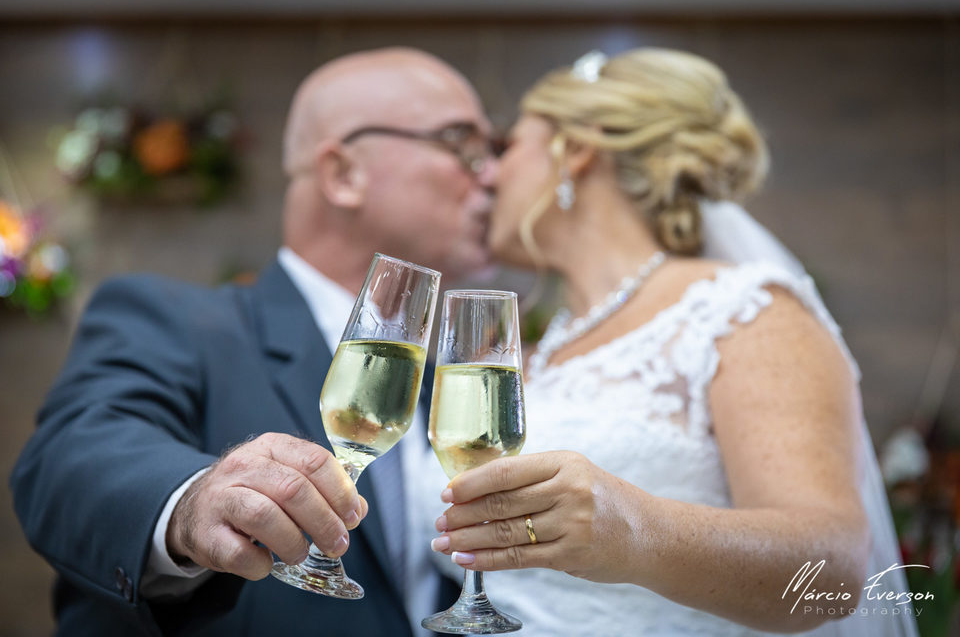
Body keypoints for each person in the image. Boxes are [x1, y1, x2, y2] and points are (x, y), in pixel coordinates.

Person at [417, 49, 918, 636]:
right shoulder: (537, 349)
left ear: (576, 150)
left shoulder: (745, 312)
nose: (487, 175)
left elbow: (832, 574)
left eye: (507, 148)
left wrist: (635, 531)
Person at [10, 47, 497, 636]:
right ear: (343, 174)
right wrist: (192, 505)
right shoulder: (171, 318)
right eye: (461, 144)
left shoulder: (448, 384)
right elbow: (71, 457)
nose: (492, 173)